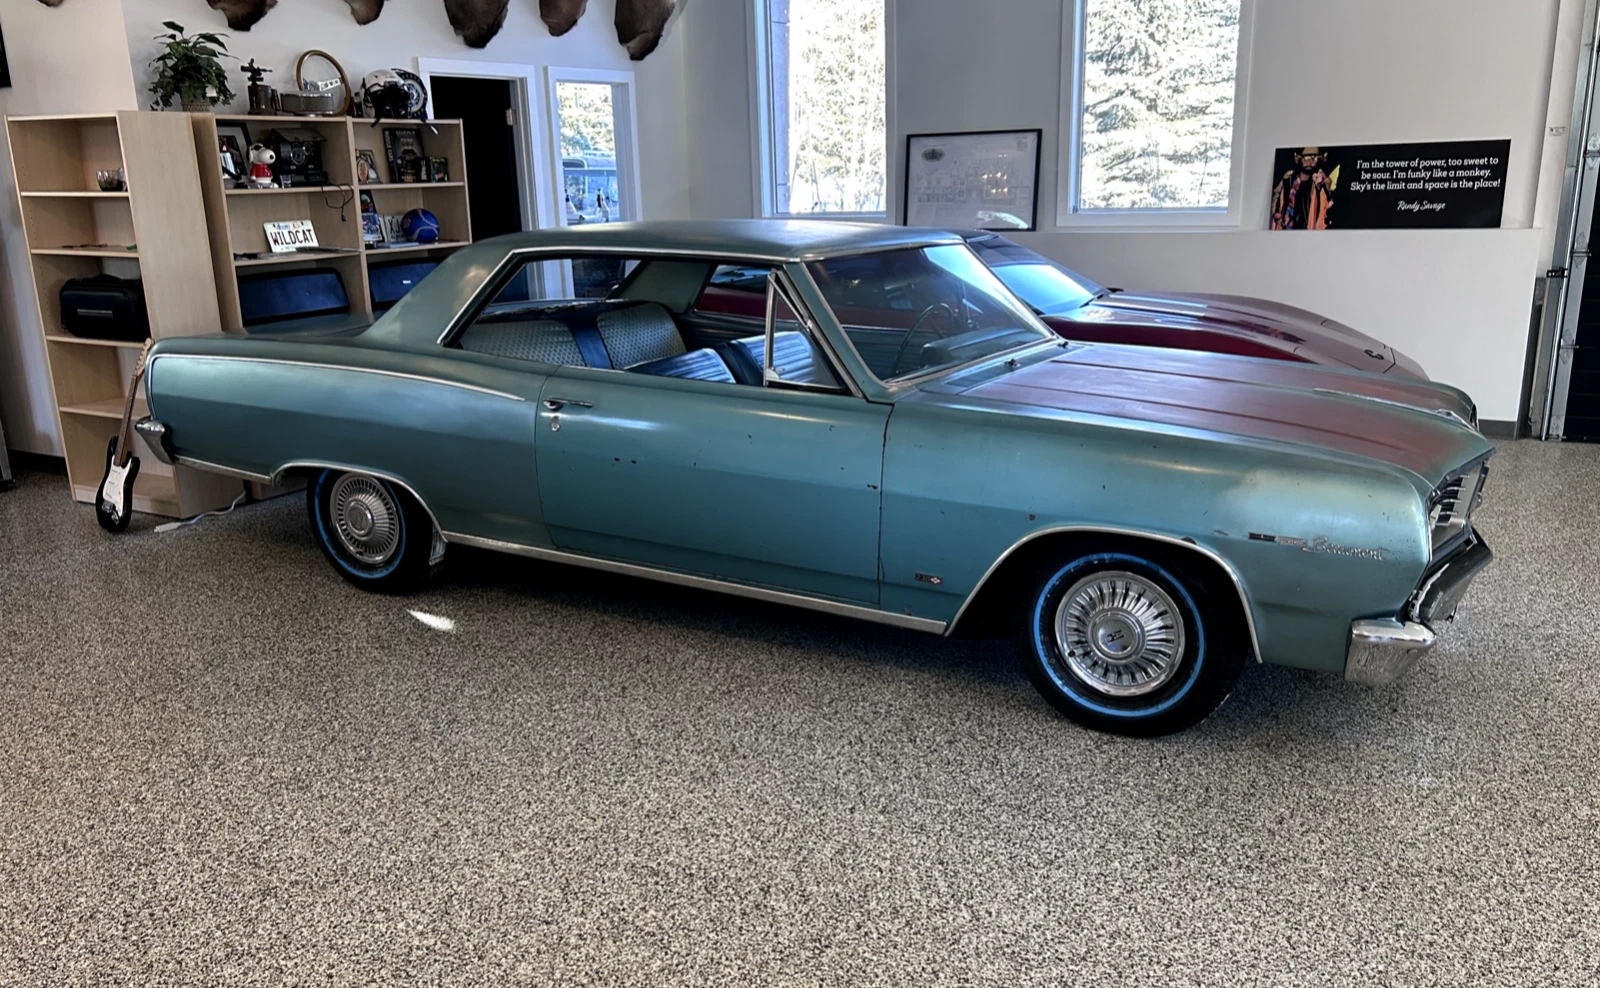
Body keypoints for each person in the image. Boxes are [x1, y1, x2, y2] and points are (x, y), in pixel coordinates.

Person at [1271, 147, 1336, 230]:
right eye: (1306, 159)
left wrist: (1324, 185)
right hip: (1286, 227)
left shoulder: (1317, 181)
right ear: (1300, 160)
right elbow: (1276, 194)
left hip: (1306, 228)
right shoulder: (1289, 178)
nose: (1309, 163)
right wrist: (1276, 214)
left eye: (1313, 159)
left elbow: (1326, 203)